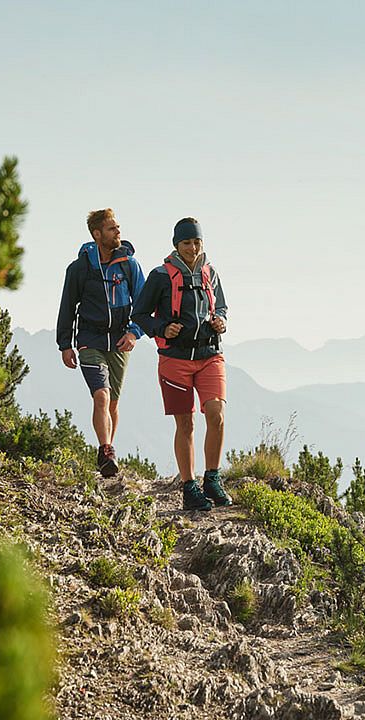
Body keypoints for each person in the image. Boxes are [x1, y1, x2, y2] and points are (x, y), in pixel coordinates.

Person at [131, 217, 230, 511]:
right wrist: (162, 328)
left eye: (197, 241)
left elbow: (221, 306)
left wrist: (221, 321)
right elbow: (140, 315)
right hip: (175, 359)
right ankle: (189, 487)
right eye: (187, 242)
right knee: (185, 423)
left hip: (210, 353)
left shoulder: (211, 273)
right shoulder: (161, 276)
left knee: (217, 413)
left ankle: (211, 478)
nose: (193, 247)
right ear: (176, 244)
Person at [55, 208, 146, 477]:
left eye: (118, 227)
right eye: (111, 229)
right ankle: (106, 449)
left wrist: (134, 332)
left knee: (113, 404)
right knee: (102, 396)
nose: (118, 232)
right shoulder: (80, 268)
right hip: (89, 340)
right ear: (97, 234)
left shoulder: (129, 264)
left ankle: (106, 454)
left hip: (119, 341)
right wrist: (65, 344)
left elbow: (142, 303)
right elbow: (67, 307)